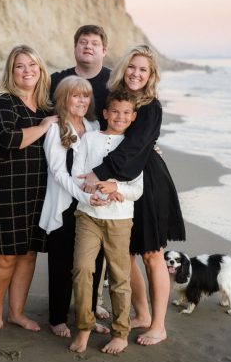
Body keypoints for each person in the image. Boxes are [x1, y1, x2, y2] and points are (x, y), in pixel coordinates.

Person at [80, 45, 186, 346]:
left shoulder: (151, 106)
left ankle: (159, 325)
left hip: (148, 182)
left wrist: (98, 173)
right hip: (118, 178)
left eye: (143, 70)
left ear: (151, 76)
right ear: (123, 68)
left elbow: (134, 147)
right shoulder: (110, 97)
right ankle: (140, 314)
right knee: (124, 254)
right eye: (132, 67)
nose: (136, 73)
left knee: (153, 254)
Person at [0, 45, 58, 331]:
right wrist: (43, 128)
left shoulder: (46, 105)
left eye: (32, 64)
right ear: (11, 71)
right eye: (20, 66)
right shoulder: (1, 101)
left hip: (36, 187)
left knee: (28, 252)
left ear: (41, 69)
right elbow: (7, 138)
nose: (27, 70)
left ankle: (17, 312)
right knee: (5, 253)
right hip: (0, 185)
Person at [69, 90, 144, 354]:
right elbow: (77, 174)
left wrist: (116, 188)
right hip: (88, 216)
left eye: (126, 113)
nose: (120, 117)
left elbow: (137, 189)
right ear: (105, 113)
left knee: (119, 277)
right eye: (115, 111)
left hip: (120, 220)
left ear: (134, 117)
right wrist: (91, 195)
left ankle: (120, 332)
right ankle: (84, 327)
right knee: (82, 269)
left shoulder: (134, 147)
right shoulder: (90, 139)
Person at [39, 76, 109, 338]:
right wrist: (84, 195)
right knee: (62, 263)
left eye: (86, 96)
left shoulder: (93, 126)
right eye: (75, 95)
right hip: (65, 204)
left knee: (93, 262)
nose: (81, 101)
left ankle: (87, 316)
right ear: (64, 98)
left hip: (92, 205)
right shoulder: (56, 128)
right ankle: (57, 318)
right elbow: (58, 172)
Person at [50, 24, 111, 319]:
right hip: (65, 194)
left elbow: (121, 127)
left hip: (93, 188)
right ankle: (59, 315)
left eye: (94, 43)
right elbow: (59, 170)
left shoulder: (111, 85)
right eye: (83, 42)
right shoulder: (57, 81)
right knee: (62, 256)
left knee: (93, 256)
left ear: (104, 50)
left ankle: (89, 305)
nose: (88, 47)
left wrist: (150, 145)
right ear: (75, 47)